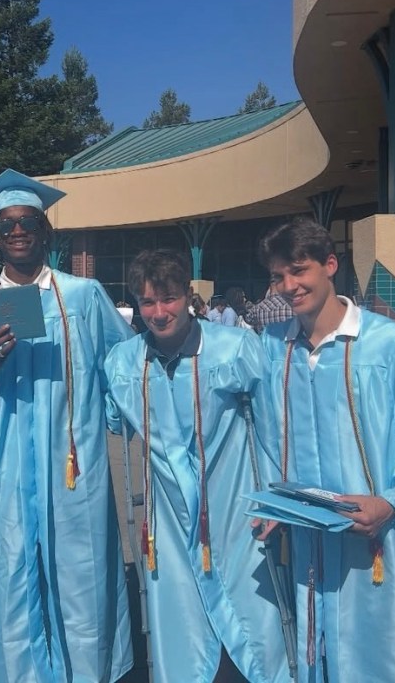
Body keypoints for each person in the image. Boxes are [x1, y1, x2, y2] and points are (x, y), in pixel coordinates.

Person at [254, 217, 395, 683]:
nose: (289, 286)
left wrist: (392, 503)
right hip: (313, 548)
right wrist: (275, 504)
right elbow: (268, 438)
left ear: (330, 265)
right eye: (278, 276)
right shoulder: (275, 350)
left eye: (300, 270)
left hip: (387, 544)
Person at [0, 169, 134, 683]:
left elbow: (125, 369)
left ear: (45, 231)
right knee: (10, 584)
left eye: (28, 222)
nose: (17, 231)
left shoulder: (83, 296)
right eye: (6, 225)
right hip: (4, 472)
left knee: (80, 580)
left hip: (73, 468)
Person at [104, 249, 291, 683]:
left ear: (188, 295)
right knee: (184, 623)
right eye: (147, 302)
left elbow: (273, 431)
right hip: (168, 520)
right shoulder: (124, 362)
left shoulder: (234, 348)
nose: (159, 312)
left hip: (234, 508)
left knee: (253, 621)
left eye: (168, 299)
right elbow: (113, 422)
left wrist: (277, 501)